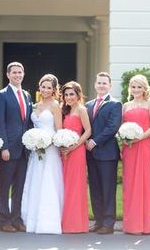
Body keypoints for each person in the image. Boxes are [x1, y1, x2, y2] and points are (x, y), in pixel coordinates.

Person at [21, 74, 64, 234]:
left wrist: (47, 142)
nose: (45, 90)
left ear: (53, 90)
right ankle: (31, 218)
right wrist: (34, 142)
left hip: (50, 148)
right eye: (43, 86)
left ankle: (47, 220)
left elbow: (58, 130)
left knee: (48, 181)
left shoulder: (55, 106)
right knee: (35, 180)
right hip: (35, 148)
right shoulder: (35, 105)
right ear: (40, 87)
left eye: (49, 87)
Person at [0, 61, 32, 233]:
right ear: (7, 75)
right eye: (14, 72)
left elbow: (27, 122)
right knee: (5, 186)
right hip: (8, 149)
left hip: (24, 149)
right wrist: (4, 148)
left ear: (23, 74)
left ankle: (16, 219)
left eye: (20, 72)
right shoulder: (1, 95)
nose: (17, 75)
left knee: (19, 186)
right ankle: (4, 220)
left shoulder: (27, 95)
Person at [85, 72, 121, 235]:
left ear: (109, 85)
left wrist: (94, 141)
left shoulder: (115, 104)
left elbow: (112, 128)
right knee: (95, 188)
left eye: (104, 83)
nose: (101, 85)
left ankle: (108, 222)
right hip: (91, 154)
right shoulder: (89, 105)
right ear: (95, 85)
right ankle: (98, 221)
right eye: (98, 83)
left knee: (107, 189)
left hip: (107, 154)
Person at [121, 74, 150, 235]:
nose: (136, 90)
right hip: (128, 147)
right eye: (133, 87)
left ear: (145, 89)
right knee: (129, 183)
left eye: (139, 87)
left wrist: (140, 137)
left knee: (142, 182)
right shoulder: (125, 106)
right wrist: (126, 137)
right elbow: (122, 126)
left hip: (143, 146)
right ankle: (131, 224)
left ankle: (143, 224)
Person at [60, 81, 91, 233]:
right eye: (66, 94)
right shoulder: (65, 110)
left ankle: (76, 223)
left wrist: (73, 146)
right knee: (65, 185)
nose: (68, 97)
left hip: (76, 151)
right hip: (64, 152)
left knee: (75, 185)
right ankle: (65, 220)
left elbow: (88, 131)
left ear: (78, 95)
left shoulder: (81, 110)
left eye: (71, 94)